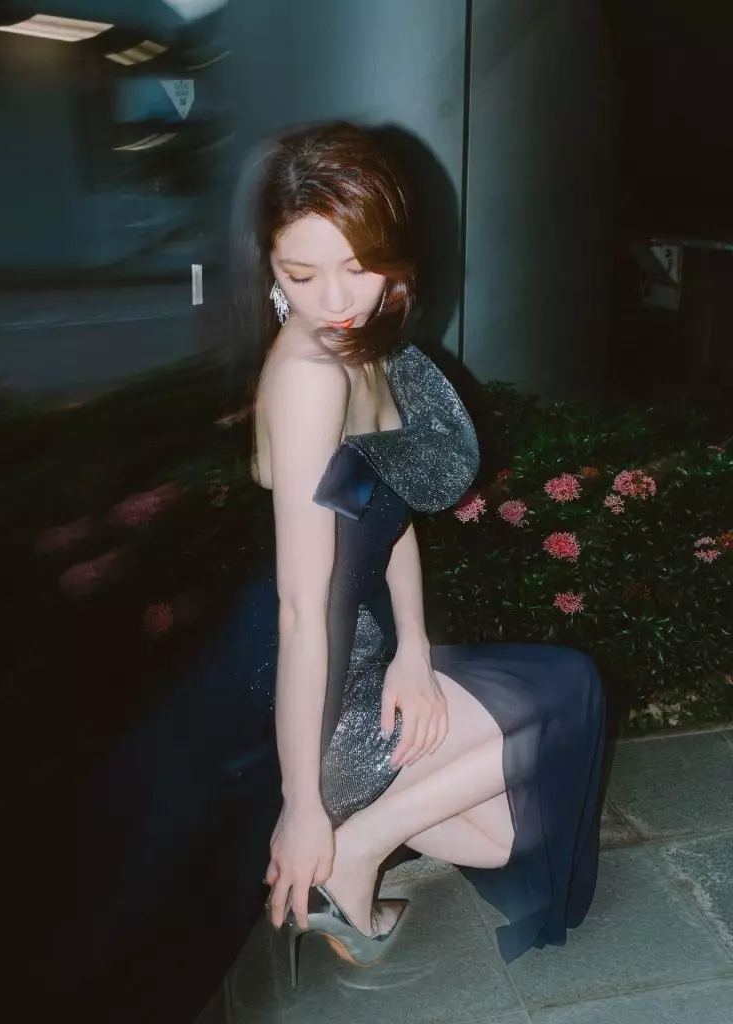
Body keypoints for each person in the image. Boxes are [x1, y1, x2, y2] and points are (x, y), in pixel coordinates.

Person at [239, 121, 606, 988]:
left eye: (357, 266)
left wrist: (414, 649)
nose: (336, 298)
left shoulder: (366, 345)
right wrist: (301, 805)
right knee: (570, 692)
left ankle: (359, 843)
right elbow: (301, 610)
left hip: (370, 651)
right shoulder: (309, 378)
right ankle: (355, 848)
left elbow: (387, 508)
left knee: (509, 836)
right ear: (271, 269)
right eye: (300, 274)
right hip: (317, 685)